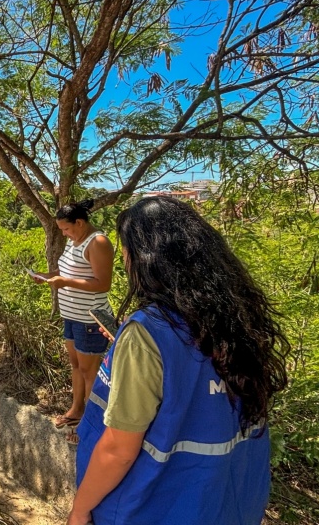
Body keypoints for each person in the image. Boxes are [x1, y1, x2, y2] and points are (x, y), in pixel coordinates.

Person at [67, 196, 290, 525]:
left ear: (144, 258)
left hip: (156, 505)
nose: (123, 261)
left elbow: (118, 449)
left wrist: (80, 509)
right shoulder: (236, 318)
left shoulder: (148, 332)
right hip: (230, 501)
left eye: (125, 250)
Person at [32, 198, 114, 437]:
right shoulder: (75, 241)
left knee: (90, 372)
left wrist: (65, 283)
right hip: (71, 315)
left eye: (67, 229)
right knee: (76, 366)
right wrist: (47, 276)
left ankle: (91, 424)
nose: (65, 234)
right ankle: (77, 409)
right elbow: (66, 271)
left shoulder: (97, 242)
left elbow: (103, 283)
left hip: (89, 319)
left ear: (80, 223)